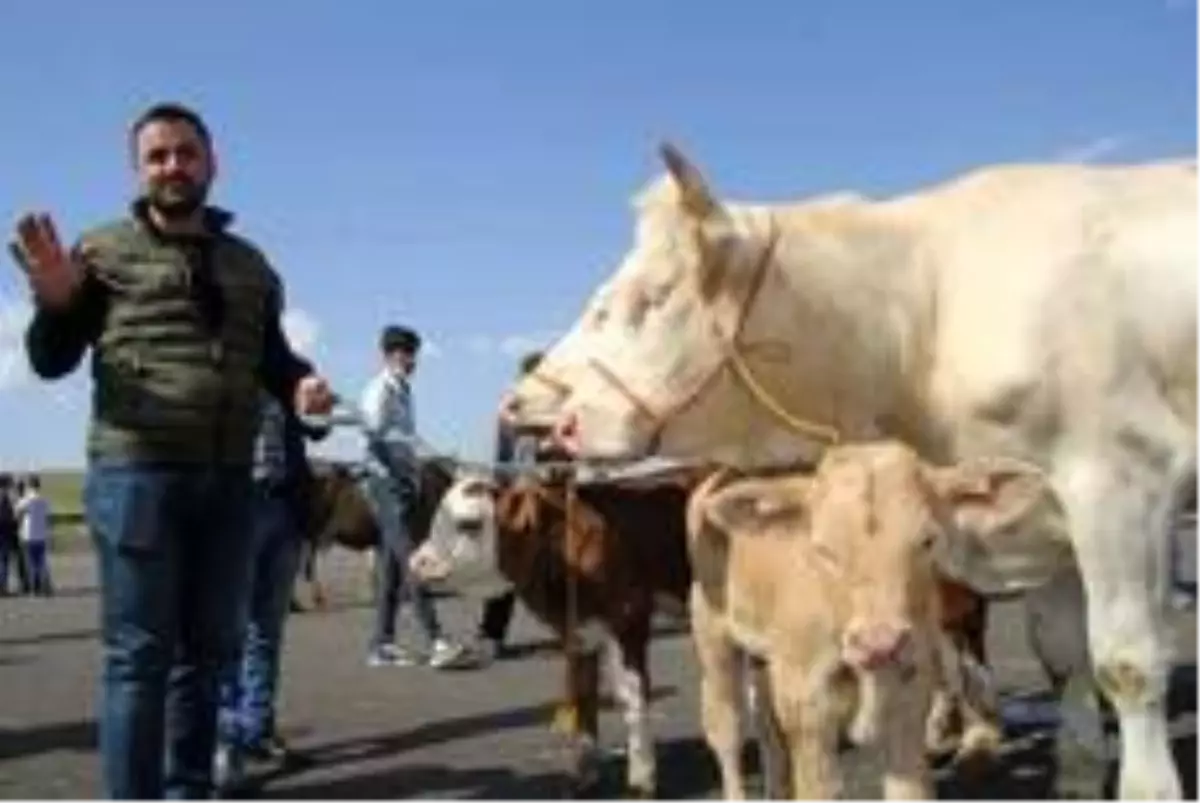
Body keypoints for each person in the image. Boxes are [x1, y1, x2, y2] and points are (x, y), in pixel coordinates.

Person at [10, 101, 334, 803]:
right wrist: (57, 305)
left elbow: (272, 359)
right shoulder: (100, 252)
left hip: (228, 482)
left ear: (212, 162)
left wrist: (303, 384)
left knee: (209, 655)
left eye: (186, 152)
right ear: (138, 169)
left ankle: (189, 790)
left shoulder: (252, 267)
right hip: (137, 477)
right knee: (139, 660)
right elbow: (50, 360)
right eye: (157, 156)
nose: (173, 166)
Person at [214, 390, 329, 789]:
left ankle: (257, 731)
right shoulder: (223, 352)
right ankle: (224, 744)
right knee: (227, 634)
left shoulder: (287, 366)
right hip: (236, 502)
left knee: (267, 630)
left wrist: (320, 407)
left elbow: (317, 429)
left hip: (284, 506)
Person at [359, 324, 470, 669]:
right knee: (413, 560)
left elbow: (402, 439)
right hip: (385, 485)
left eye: (413, 354)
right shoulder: (379, 390)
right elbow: (374, 436)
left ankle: (381, 644)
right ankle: (437, 640)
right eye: (406, 354)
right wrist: (397, 470)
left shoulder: (404, 392)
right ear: (390, 354)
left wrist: (415, 468)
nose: (412, 361)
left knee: (392, 568)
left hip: (402, 484)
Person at [475, 349, 549, 661]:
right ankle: (491, 633)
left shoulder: (548, 411)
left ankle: (576, 626)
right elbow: (503, 460)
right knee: (507, 568)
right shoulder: (513, 410)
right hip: (521, 497)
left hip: (544, 498)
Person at [14, 474, 52, 596]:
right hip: (41, 535)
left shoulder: (26, 500)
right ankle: (44, 586)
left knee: (30, 563)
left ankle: (34, 588)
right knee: (42, 563)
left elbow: (17, 514)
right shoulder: (44, 500)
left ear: (29, 485)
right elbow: (47, 518)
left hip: (28, 535)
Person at [0, 473, 30, 596]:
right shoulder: (9, 497)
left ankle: (4, 585)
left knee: (4, 560)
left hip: (5, 531)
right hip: (8, 531)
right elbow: (14, 514)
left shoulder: (8, 496)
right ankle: (20, 584)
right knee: (8, 559)